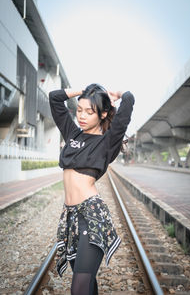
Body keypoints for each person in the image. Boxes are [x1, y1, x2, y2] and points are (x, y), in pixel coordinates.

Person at [49, 84, 135, 295]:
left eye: (89, 111)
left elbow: (129, 100)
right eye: (79, 110)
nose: (82, 116)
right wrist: (83, 91)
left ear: (103, 114)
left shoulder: (107, 142)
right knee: (86, 282)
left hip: (92, 216)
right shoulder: (72, 133)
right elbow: (54, 98)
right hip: (70, 218)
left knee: (79, 287)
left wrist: (118, 94)